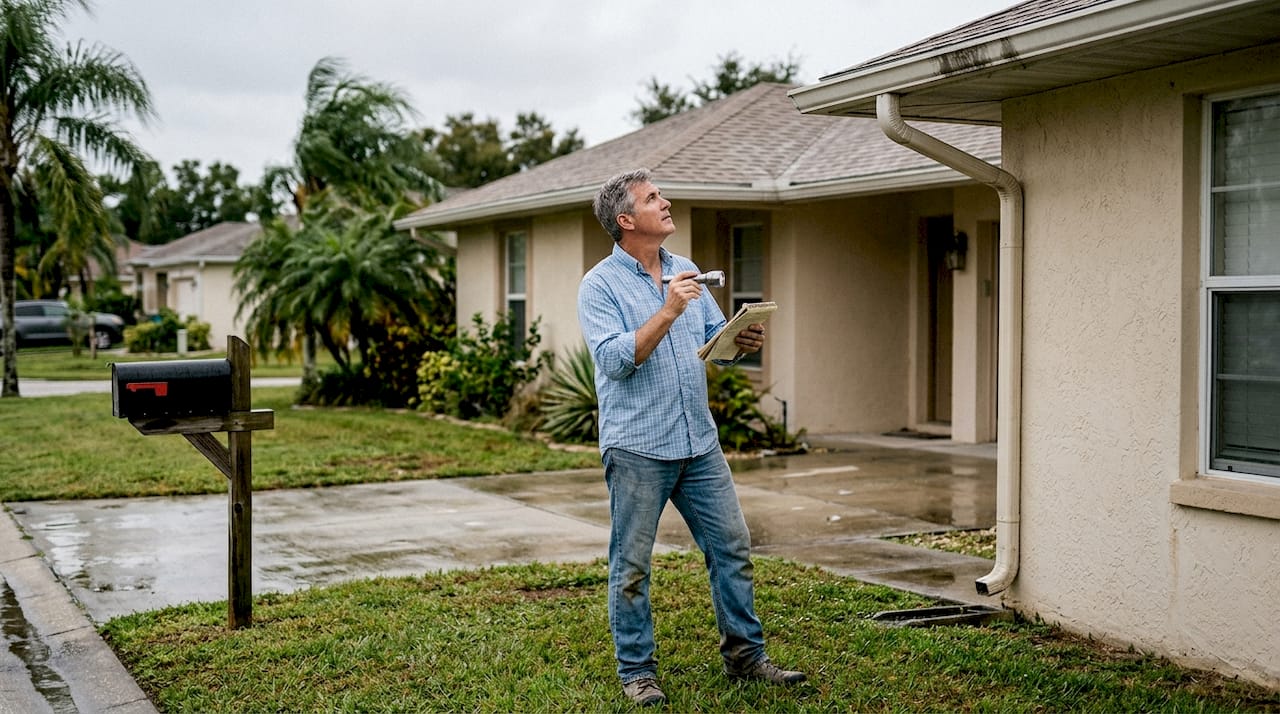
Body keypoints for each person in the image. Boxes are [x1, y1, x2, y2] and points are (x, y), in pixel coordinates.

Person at [577, 168, 805, 707]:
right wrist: (668, 309)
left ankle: (746, 657)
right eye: (654, 198)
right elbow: (615, 361)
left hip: (698, 442)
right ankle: (637, 672)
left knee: (732, 548)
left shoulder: (686, 271)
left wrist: (737, 339)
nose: (667, 201)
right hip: (637, 447)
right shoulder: (599, 285)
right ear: (626, 220)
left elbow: (709, 344)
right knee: (631, 566)